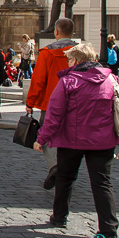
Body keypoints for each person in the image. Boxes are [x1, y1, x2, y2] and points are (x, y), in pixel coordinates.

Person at [34, 42, 119, 238]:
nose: (68, 63)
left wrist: (41, 139)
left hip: (71, 141)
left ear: (75, 60)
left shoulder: (68, 81)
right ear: (93, 59)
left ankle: (59, 217)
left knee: (65, 178)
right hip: (103, 141)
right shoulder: (110, 78)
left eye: (69, 59)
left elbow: (54, 115)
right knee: (102, 183)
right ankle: (109, 230)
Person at [26, 17, 78, 189]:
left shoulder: (47, 53)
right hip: (77, 102)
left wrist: (30, 102)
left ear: (56, 32)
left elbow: (38, 80)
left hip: (52, 102)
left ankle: (55, 166)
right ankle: (68, 168)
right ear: (72, 32)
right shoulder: (81, 52)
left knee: (46, 135)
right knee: (72, 136)